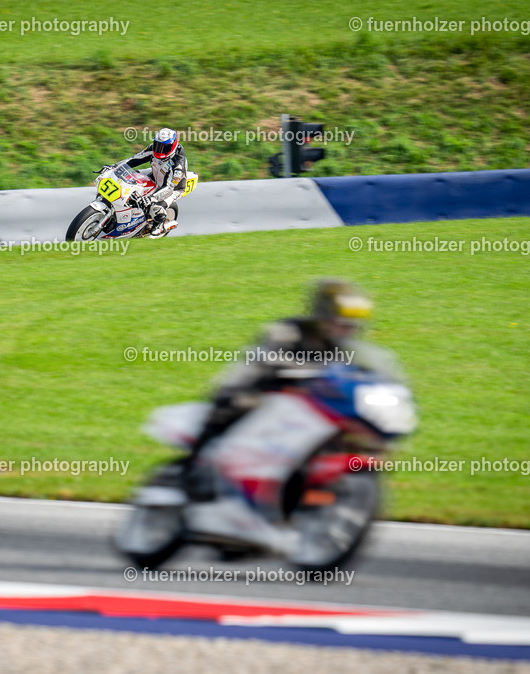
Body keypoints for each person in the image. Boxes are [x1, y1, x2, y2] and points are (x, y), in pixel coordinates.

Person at [183, 279, 375, 500]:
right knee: (234, 406)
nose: (347, 330)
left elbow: (355, 371)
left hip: (303, 403)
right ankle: (193, 470)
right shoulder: (287, 331)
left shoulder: (343, 346)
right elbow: (268, 360)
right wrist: (305, 370)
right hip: (257, 390)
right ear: (322, 316)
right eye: (341, 324)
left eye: (352, 325)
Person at [119, 128, 188, 238]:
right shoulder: (153, 148)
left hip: (174, 188)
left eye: (164, 147)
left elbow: (169, 187)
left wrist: (151, 198)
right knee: (129, 177)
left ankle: (160, 224)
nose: (160, 150)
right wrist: (115, 167)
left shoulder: (178, 165)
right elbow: (135, 159)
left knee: (155, 206)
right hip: (156, 173)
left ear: (172, 146)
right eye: (158, 145)